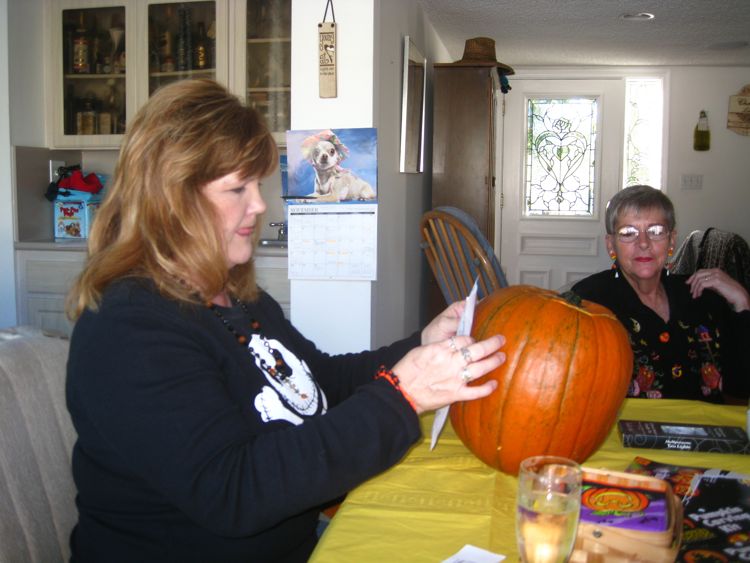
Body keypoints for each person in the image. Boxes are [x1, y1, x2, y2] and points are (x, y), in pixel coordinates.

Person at [64, 79, 506, 562]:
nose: (258, 204)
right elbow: (234, 493)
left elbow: (324, 381)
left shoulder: (237, 298)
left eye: (257, 184)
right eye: (237, 188)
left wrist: (421, 343)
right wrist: (402, 395)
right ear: (171, 200)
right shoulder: (129, 330)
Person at [572, 185, 750, 402]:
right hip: (625, 433)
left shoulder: (703, 297)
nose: (644, 243)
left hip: (703, 432)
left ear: (672, 241)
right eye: (628, 233)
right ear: (611, 245)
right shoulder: (588, 302)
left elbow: (741, 386)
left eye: (656, 231)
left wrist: (742, 302)